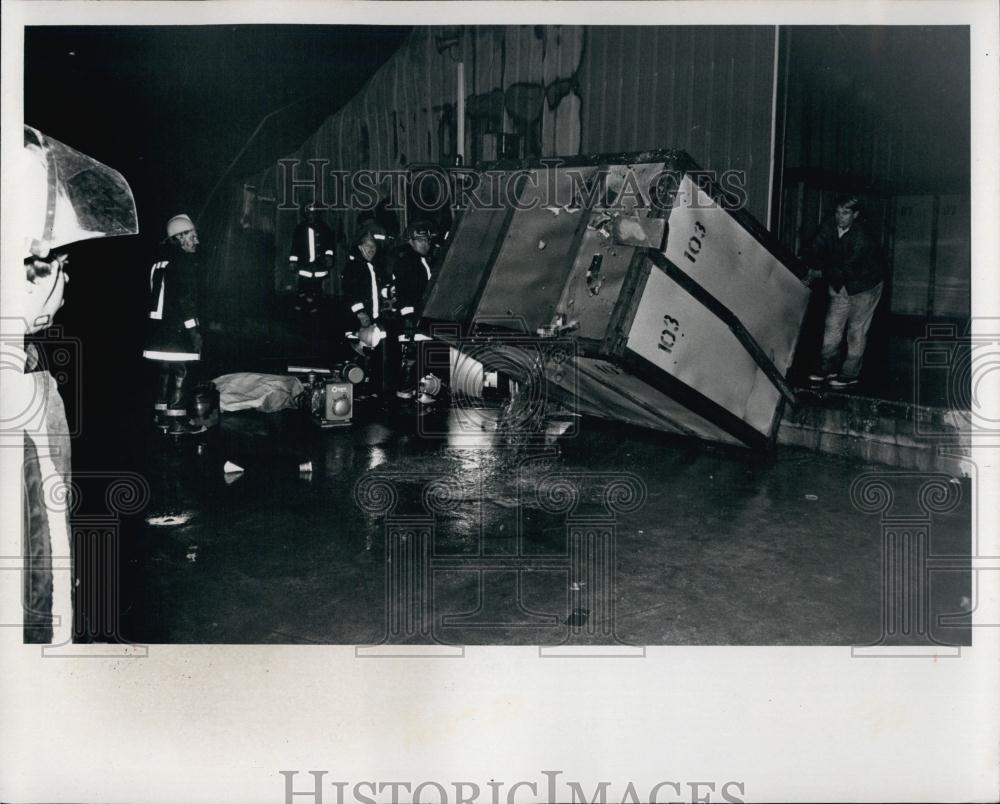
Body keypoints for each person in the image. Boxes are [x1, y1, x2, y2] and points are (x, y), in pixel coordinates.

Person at [12, 126, 138, 643]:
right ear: (34, 273)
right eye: (61, 264)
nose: (66, 280)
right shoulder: (26, 394)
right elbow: (46, 551)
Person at [802, 195, 884, 388]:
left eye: (846, 213)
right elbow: (815, 247)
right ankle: (827, 368)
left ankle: (849, 374)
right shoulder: (829, 226)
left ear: (855, 215)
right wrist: (809, 262)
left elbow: (847, 268)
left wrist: (817, 273)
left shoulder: (862, 238)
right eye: (838, 212)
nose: (840, 217)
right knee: (832, 327)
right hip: (839, 284)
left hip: (864, 287)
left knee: (856, 330)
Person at [142, 214, 205, 432]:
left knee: (165, 371)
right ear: (180, 237)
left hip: (158, 330)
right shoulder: (184, 262)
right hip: (177, 330)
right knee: (182, 372)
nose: (196, 241)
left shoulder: (159, 261)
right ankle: (177, 421)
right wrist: (194, 331)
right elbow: (185, 300)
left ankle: (161, 418)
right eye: (192, 236)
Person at [343, 229, 391, 395]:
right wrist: (360, 313)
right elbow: (350, 293)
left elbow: (380, 291)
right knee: (356, 356)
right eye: (368, 246)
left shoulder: (376, 268)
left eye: (374, 247)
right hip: (357, 321)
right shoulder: (353, 267)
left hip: (374, 320)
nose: (372, 250)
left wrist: (389, 291)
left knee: (375, 355)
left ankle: (372, 390)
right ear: (360, 247)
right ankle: (353, 392)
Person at [393, 220, 436, 398]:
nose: (425, 243)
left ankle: (419, 392)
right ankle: (404, 395)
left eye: (427, 240)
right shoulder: (406, 263)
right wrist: (409, 318)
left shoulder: (426, 261)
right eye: (420, 240)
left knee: (423, 358)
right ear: (411, 241)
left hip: (425, 318)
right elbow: (404, 294)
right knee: (411, 358)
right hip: (412, 320)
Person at [288, 203, 335, 314]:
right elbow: (295, 247)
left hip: (319, 265)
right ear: (306, 214)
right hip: (304, 266)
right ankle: (300, 308)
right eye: (309, 213)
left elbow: (329, 246)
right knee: (303, 288)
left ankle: (315, 308)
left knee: (316, 288)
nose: (312, 216)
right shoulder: (300, 229)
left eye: (314, 213)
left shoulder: (325, 229)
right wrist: (293, 262)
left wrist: (329, 257)